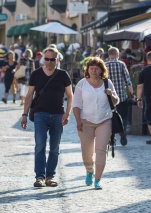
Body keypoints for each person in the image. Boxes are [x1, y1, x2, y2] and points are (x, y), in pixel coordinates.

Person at [21, 46, 73, 188]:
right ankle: (39, 177)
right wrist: (24, 114)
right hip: (40, 114)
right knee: (40, 146)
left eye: (52, 59)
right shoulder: (36, 74)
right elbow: (29, 95)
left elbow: (70, 95)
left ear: (57, 60)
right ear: (43, 59)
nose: (49, 62)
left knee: (55, 148)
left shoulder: (63, 75)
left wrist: (67, 114)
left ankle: (50, 177)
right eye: (47, 59)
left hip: (58, 115)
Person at [71, 57, 119, 190]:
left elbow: (116, 101)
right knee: (87, 152)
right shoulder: (82, 84)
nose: (93, 70)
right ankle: (89, 170)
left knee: (101, 150)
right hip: (85, 121)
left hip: (105, 120)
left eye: (96, 68)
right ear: (87, 70)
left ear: (101, 70)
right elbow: (76, 104)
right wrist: (78, 121)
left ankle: (97, 179)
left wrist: (111, 95)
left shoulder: (107, 82)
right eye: (91, 68)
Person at [105, 47, 133, 145]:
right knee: (123, 117)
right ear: (118, 55)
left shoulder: (105, 65)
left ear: (109, 55)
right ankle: (123, 133)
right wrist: (132, 94)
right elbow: (128, 81)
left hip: (109, 98)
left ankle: (112, 138)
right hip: (121, 97)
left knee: (109, 117)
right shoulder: (121, 64)